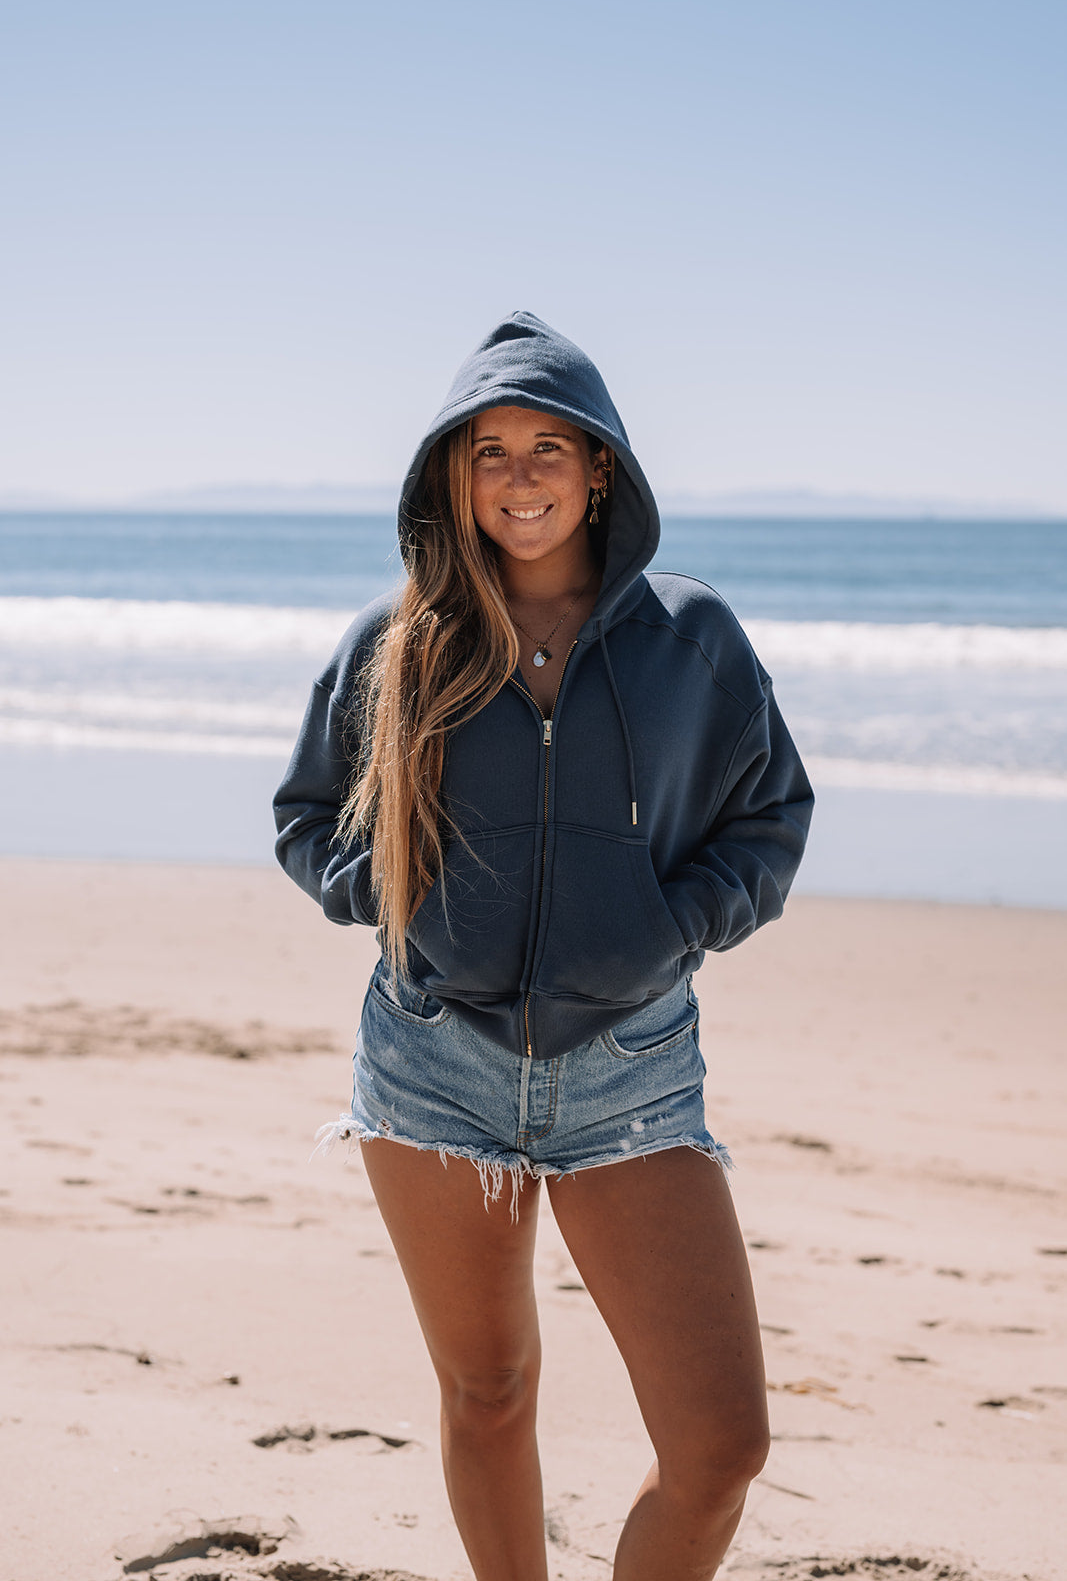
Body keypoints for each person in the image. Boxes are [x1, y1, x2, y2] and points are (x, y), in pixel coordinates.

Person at [274, 311, 814, 1581]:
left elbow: (770, 818)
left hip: (627, 1070)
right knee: (490, 1388)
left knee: (718, 1446)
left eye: (547, 448)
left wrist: (671, 923)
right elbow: (309, 815)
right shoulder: (399, 639)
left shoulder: (691, 640)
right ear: (451, 477)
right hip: (429, 1065)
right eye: (489, 451)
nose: (519, 478)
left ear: (600, 470)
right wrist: (397, 900)